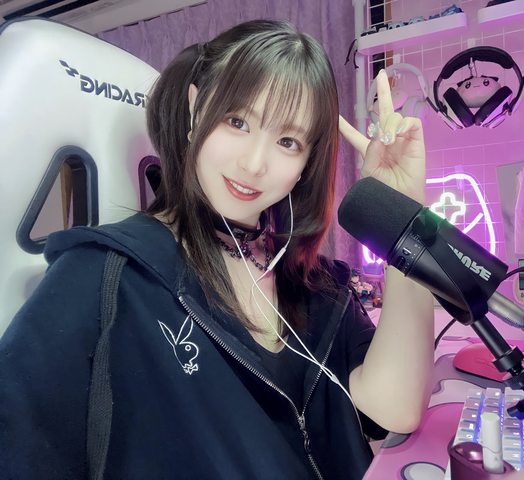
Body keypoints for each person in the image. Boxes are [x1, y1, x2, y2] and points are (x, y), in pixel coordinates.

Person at [0, 19, 434, 480]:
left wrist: (402, 214)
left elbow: (396, 407)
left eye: (287, 141)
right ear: (195, 109)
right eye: (237, 121)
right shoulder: (105, 273)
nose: (254, 163)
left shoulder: (319, 287)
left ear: (307, 162)